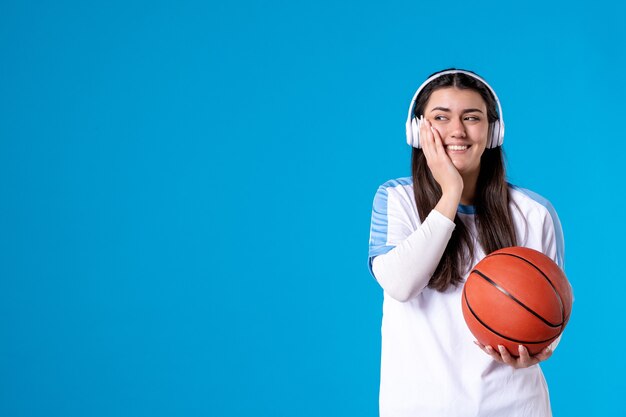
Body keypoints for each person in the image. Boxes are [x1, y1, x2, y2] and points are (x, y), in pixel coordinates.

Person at [367, 69, 566, 417]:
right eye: (440, 117)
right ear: (417, 131)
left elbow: (552, 310)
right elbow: (400, 284)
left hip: (516, 407)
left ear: (493, 132)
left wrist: (540, 346)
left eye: (471, 118)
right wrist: (451, 192)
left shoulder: (535, 213)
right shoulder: (396, 198)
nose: (457, 131)